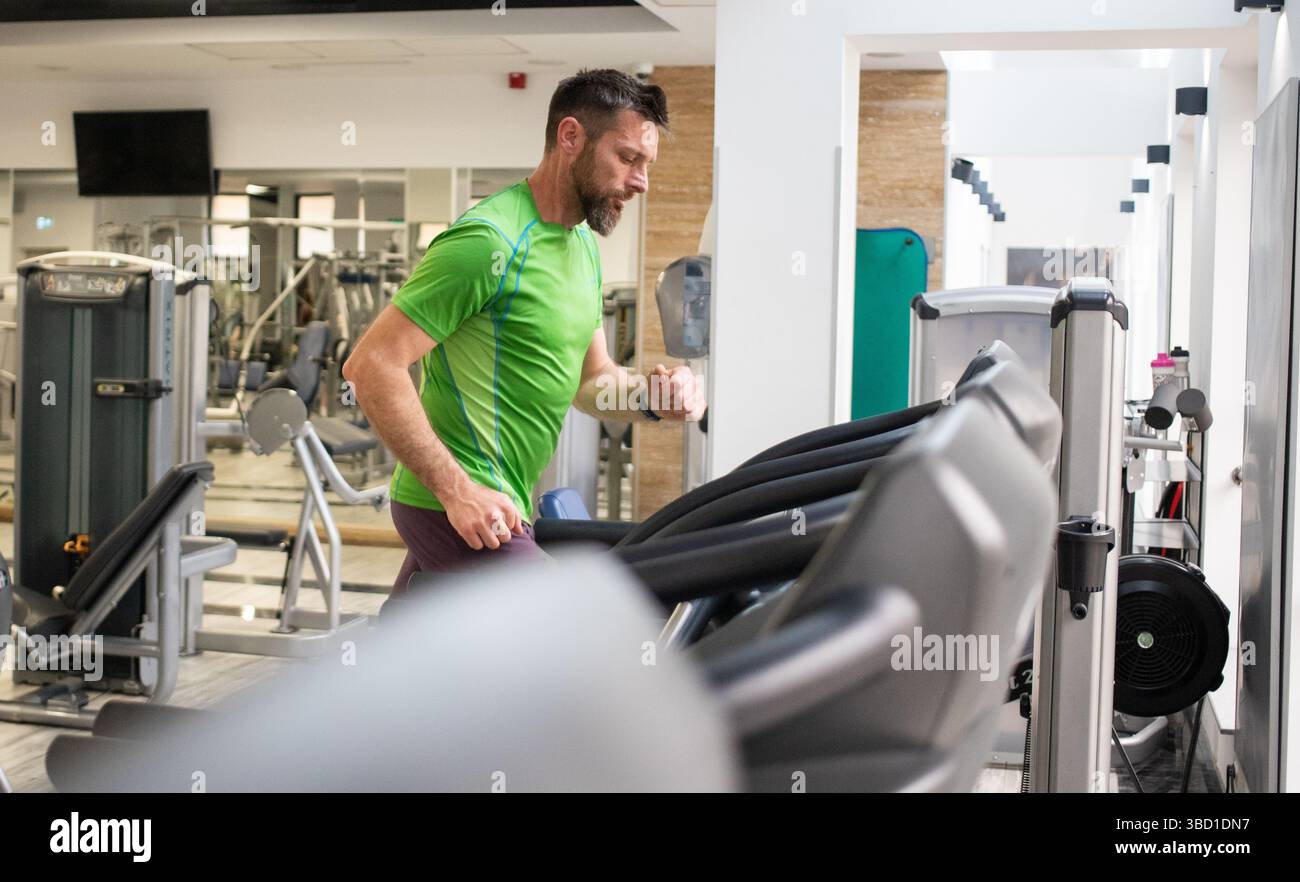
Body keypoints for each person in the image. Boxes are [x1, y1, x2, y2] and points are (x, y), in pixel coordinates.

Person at [343, 69, 706, 595]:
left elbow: (590, 382)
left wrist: (655, 394)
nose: (641, 181)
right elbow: (371, 364)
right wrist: (457, 490)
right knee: (571, 625)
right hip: (455, 507)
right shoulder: (487, 241)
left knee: (428, 661)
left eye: (645, 164)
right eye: (628, 158)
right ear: (571, 137)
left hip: (503, 506)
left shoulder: (581, 246)